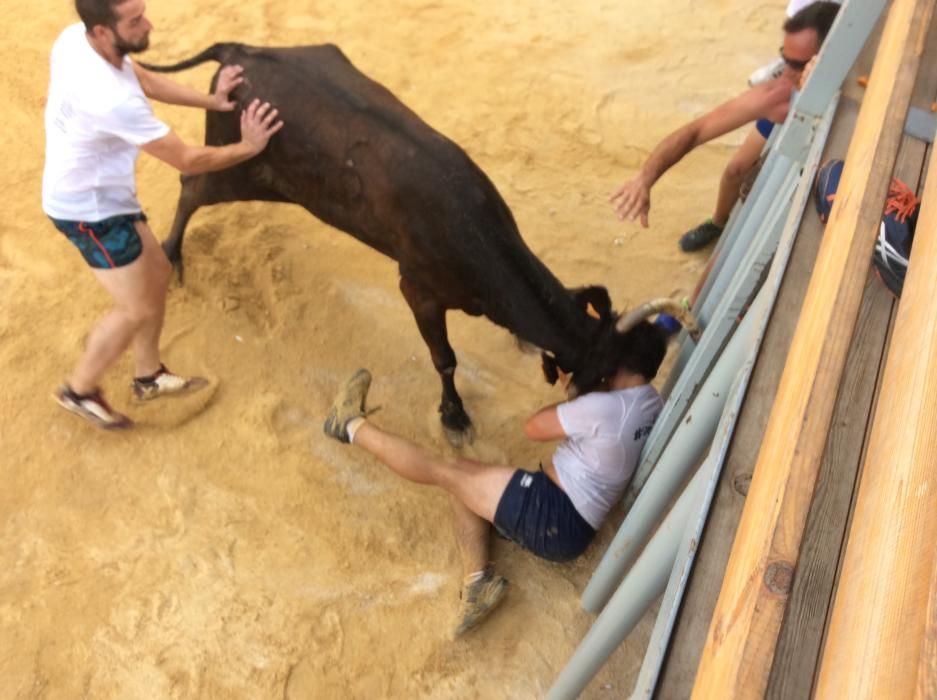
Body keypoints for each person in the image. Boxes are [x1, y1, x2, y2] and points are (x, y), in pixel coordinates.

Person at [322, 322, 667, 637]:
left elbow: (534, 427)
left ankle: (348, 425)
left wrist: (576, 392)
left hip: (552, 514)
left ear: (619, 360)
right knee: (465, 478)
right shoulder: (651, 401)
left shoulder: (606, 408)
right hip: (572, 519)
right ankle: (477, 585)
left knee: (444, 471)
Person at [43, 0, 283, 429]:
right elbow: (188, 160)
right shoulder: (110, 100)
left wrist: (213, 101)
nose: (148, 24)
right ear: (101, 31)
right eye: (135, 20)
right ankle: (78, 390)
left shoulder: (74, 41)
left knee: (156, 271)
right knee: (135, 308)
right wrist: (248, 148)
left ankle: (148, 375)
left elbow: (144, 78)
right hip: (89, 213)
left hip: (108, 196)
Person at [610, 2, 840, 252]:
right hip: (791, 117)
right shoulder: (779, 93)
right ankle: (718, 222)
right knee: (735, 170)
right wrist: (645, 178)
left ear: (826, 62)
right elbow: (696, 131)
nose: (784, 73)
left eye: (797, 65)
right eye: (784, 58)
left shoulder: (856, 94)